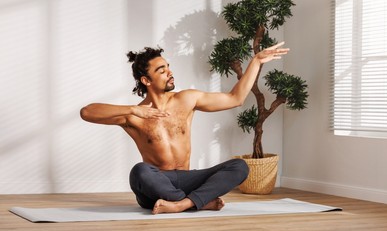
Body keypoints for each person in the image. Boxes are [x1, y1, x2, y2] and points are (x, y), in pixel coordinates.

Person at [80, 42, 289, 214]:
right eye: (161, 70)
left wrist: (256, 61)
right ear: (146, 80)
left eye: (168, 67)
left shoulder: (186, 99)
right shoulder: (132, 116)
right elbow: (87, 112)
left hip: (189, 179)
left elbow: (235, 98)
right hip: (157, 184)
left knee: (240, 167)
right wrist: (135, 110)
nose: (169, 72)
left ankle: (182, 204)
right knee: (139, 171)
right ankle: (200, 202)